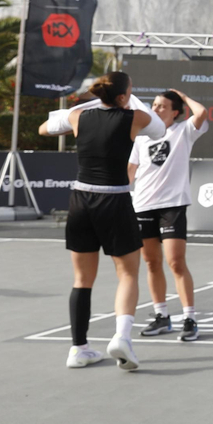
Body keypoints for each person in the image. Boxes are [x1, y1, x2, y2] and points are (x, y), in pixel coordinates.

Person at [40, 72, 166, 369]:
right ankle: (121, 338)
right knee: (128, 274)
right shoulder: (134, 117)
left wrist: (71, 116)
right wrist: (128, 101)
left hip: (81, 200)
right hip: (114, 200)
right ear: (123, 96)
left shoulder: (78, 116)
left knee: (82, 279)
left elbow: (44, 128)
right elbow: (159, 129)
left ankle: (78, 349)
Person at [130, 88, 209, 341]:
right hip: (142, 205)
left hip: (172, 206)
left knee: (175, 262)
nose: (155, 109)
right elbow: (131, 170)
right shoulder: (141, 137)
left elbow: (202, 112)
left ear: (175, 112)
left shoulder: (183, 131)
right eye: (154, 105)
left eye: (162, 106)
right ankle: (161, 316)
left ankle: (189, 318)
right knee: (151, 262)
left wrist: (185, 97)